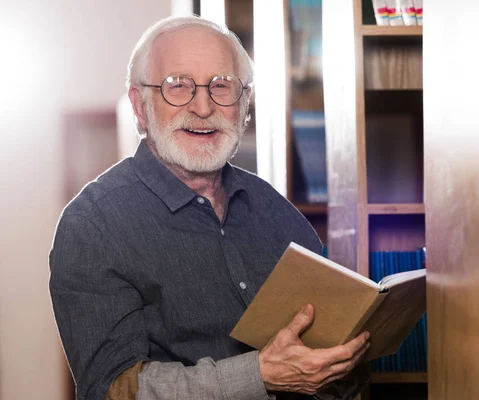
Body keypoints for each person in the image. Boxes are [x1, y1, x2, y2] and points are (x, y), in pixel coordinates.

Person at [49, 15, 370, 400]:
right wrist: (260, 375)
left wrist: (342, 362)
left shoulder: (278, 213)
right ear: (139, 104)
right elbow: (111, 389)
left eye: (221, 86)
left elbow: (330, 362)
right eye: (178, 86)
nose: (203, 107)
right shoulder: (93, 225)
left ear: (245, 103)